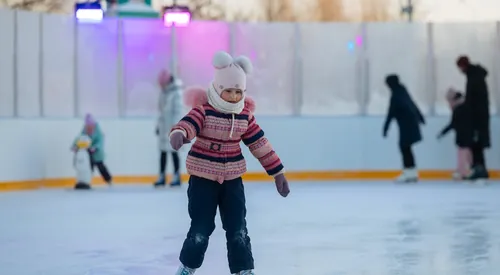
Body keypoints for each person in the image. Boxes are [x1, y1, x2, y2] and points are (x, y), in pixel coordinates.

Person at [169, 51, 290, 275]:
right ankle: (187, 267)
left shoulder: (244, 116)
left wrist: (277, 172)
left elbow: (260, 144)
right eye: (228, 91)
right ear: (218, 89)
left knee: (238, 229)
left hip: (233, 181)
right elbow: (188, 123)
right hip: (203, 180)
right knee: (200, 229)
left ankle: (243, 269)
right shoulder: (204, 111)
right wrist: (179, 133)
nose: (234, 96)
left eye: (238, 91)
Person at [383, 74, 425, 183]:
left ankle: (408, 172)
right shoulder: (402, 91)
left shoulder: (396, 94)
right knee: (406, 148)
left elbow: (391, 112)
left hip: (407, 124)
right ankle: (411, 172)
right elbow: (412, 103)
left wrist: (386, 127)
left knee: (404, 147)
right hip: (409, 123)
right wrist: (420, 117)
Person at [456, 55, 490, 180]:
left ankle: (479, 170)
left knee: (476, 143)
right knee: (477, 144)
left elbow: (472, 99)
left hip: (477, 117)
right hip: (480, 116)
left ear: (463, 66)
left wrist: (466, 109)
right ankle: (480, 169)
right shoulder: (476, 76)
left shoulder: (473, 78)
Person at [154, 69, 184, 187]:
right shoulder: (164, 92)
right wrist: (158, 125)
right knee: (162, 151)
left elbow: (178, 111)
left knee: (173, 151)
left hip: (172, 127)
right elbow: (161, 111)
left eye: (162, 84)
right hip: (163, 127)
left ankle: (177, 175)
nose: (160, 86)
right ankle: (162, 175)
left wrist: (176, 128)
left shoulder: (176, 92)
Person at [437, 88, 473, 180]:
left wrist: (443, 132)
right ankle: (467, 171)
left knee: (462, 154)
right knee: (467, 153)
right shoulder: (467, 106)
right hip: (468, 135)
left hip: (463, 136)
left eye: (449, 101)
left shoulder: (458, 109)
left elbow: (453, 124)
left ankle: (463, 172)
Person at [72, 114, 112, 185]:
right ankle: (86, 181)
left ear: (93, 124)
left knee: (101, 167)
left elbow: (100, 141)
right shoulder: (84, 129)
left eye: (90, 126)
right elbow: (79, 138)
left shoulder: (98, 131)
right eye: (88, 126)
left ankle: (109, 180)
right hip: (88, 153)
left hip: (97, 154)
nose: (89, 127)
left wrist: (96, 147)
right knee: (89, 168)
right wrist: (74, 145)